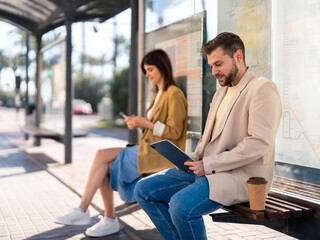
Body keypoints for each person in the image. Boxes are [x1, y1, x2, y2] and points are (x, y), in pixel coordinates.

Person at [134, 32, 282, 240]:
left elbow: (258, 143)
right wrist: (191, 159)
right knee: (143, 190)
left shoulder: (262, 88)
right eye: (211, 65)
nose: (214, 71)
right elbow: (208, 139)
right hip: (209, 169)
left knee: (180, 207)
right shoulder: (221, 92)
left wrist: (209, 164)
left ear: (238, 56)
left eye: (218, 64)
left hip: (241, 176)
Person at [55, 49, 188, 237]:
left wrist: (145, 123)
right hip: (148, 150)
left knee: (101, 156)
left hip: (160, 155)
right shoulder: (157, 94)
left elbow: (174, 132)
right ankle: (106, 219)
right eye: (146, 71)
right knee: (105, 167)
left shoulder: (174, 94)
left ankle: (86, 211)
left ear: (162, 67)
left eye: (150, 69)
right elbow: (155, 130)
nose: (148, 74)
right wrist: (139, 124)